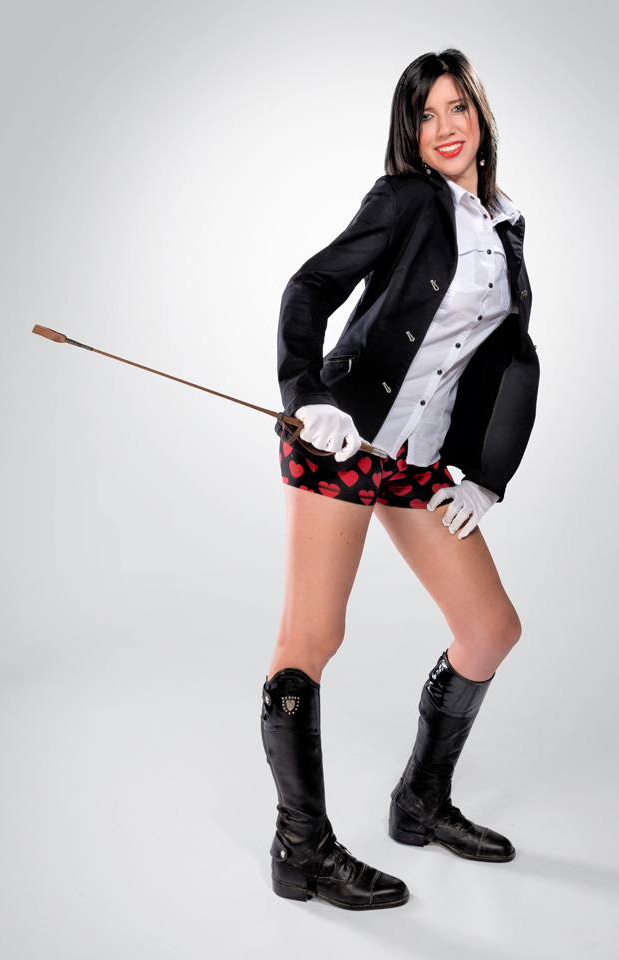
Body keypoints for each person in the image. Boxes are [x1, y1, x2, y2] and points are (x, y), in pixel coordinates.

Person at [260, 48, 539, 911]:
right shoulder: (406, 199)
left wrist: (483, 476)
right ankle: (301, 847)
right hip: (341, 441)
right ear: (409, 131)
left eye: (458, 107)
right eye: (426, 114)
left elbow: (507, 357)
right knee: (312, 638)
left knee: (490, 629)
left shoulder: (505, 226)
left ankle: (420, 799)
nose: (445, 127)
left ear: (481, 116)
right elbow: (310, 287)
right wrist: (309, 395)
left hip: (416, 460)